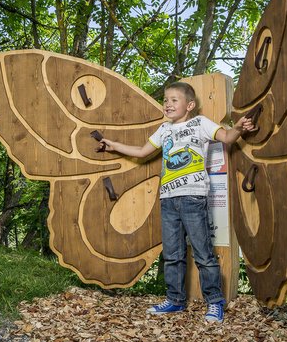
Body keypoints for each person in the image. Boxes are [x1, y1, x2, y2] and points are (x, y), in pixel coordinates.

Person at [100, 82, 255, 323]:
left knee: (203, 254)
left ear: (189, 105)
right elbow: (142, 152)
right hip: (168, 199)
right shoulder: (163, 130)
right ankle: (174, 300)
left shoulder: (200, 123)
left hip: (193, 197)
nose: (168, 104)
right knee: (172, 254)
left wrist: (239, 128)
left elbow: (227, 137)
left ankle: (214, 303)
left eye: (174, 100)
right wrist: (114, 146)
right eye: (166, 100)